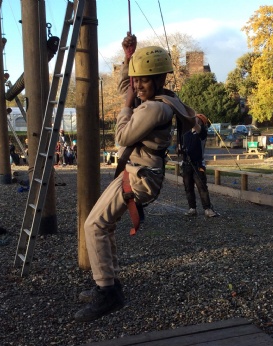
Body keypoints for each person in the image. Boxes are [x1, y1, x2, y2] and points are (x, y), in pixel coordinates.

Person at [74, 33, 196, 322]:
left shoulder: (155, 108)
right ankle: (108, 283)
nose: (138, 85)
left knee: (94, 225)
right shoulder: (162, 99)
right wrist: (128, 58)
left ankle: (107, 292)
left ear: (159, 79)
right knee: (102, 224)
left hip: (140, 177)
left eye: (144, 80)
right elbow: (127, 90)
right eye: (136, 79)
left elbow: (122, 136)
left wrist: (127, 105)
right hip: (138, 173)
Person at [181, 114, 217, 217]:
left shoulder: (202, 133)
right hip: (186, 164)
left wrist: (188, 116)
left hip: (198, 164)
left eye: (197, 119)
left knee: (202, 187)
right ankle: (192, 208)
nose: (194, 120)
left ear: (200, 122)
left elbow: (195, 125)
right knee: (188, 188)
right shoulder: (186, 134)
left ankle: (207, 208)